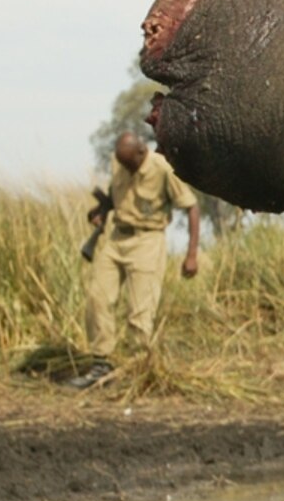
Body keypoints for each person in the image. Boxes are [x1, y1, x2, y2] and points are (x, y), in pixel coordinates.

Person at [72, 127, 200, 386]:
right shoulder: (118, 163)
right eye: (123, 164)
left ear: (142, 152)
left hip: (148, 241)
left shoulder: (162, 169)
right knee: (97, 298)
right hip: (117, 237)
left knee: (140, 311)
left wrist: (191, 255)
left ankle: (139, 369)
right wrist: (99, 212)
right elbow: (115, 197)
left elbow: (192, 206)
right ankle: (100, 365)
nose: (127, 170)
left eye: (131, 164)